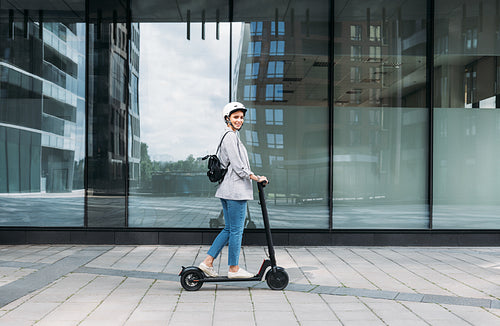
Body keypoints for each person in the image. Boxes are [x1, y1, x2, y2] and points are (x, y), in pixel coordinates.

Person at [199, 102, 268, 279]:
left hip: (228, 190)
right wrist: (256, 177)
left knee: (229, 229)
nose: (239, 120)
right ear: (227, 118)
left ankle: (207, 263)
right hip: (234, 191)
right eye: (236, 117)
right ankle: (234, 269)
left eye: (241, 117)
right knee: (237, 230)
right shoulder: (230, 137)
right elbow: (239, 167)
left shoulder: (232, 136)